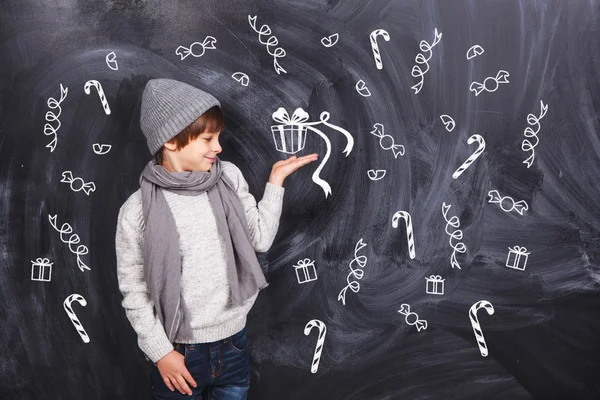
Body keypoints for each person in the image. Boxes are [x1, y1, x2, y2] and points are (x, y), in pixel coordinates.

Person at [115, 78, 317, 399]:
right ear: (170, 140)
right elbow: (135, 292)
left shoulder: (229, 178)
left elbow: (260, 238)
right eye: (208, 138)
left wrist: (275, 182)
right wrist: (161, 353)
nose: (218, 147)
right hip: (178, 354)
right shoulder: (138, 211)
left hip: (234, 344)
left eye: (218, 137)